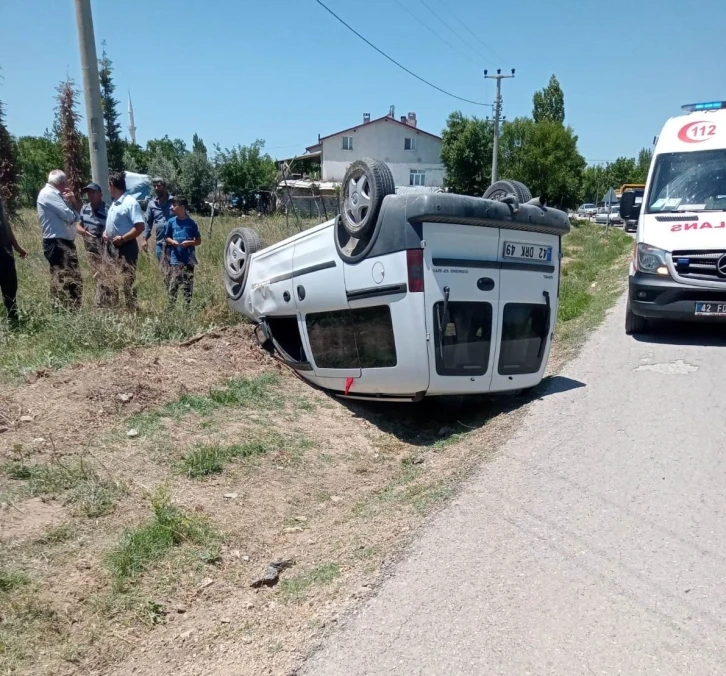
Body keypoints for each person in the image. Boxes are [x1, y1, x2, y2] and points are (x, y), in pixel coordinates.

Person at [36, 170, 82, 309]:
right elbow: (70, 216)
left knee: (71, 278)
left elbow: (75, 214)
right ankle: (62, 310)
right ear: (62, 183)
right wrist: (74, 215)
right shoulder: (49, 194)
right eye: (66, 182)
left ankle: (70, 309)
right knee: (63, 279)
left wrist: (72, 201)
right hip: (56, 243)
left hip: (63, 243)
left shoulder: (58, 195)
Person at [104, 171, 144, 310]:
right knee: (112, 279)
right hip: (111, 247)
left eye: (108, 186)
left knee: (128, 281)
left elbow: (139, 227)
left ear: (112, 186)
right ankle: (115, 309)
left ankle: (131, 310)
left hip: (126, 247)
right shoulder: (115, 203)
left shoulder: (130, 203)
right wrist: (106, 232)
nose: (108, 189)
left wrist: (122, 238)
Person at [78, 182, 112, 307]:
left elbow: (112, 227)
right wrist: (81, 231)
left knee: (104, 274)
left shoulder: (108, 209)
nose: (90, 195)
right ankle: (102, 302)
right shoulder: (84, 208)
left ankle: (102, 303)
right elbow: (78, 224)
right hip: (90, 248)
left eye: (93, 192)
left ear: (100, 194)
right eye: (89, 192)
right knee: (97, 275)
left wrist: (105, 233)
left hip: (104, 248)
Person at [165, 195, 201, 306]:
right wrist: (172, 242)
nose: (171, 207)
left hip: (189, 259)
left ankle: (187, 307)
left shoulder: (192, 223)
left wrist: (189, 243)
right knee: (174, 284)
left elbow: (198, 241)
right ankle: (171, 308)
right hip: (175, 259)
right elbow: (166, 237)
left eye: (174, 205)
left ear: (182, 207)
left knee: (188, 285)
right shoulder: (171, 222)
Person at [0, 197, 28, 326]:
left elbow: (5, 223)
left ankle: (13, 321)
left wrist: (16, 246)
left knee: (10, 287)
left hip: (5, 248)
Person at [142, 177, 174, 283]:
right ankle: (169, 292)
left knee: (177, 270)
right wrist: (144, 239)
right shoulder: (152, 204)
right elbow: (148, 222)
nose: (156, 188)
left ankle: (176, 292)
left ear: (165, 186)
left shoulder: (174, 201)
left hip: (175, 243)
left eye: (159, 185)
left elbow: (183, 216)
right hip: (160, 244)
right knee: (164, 271)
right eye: (154, 186)